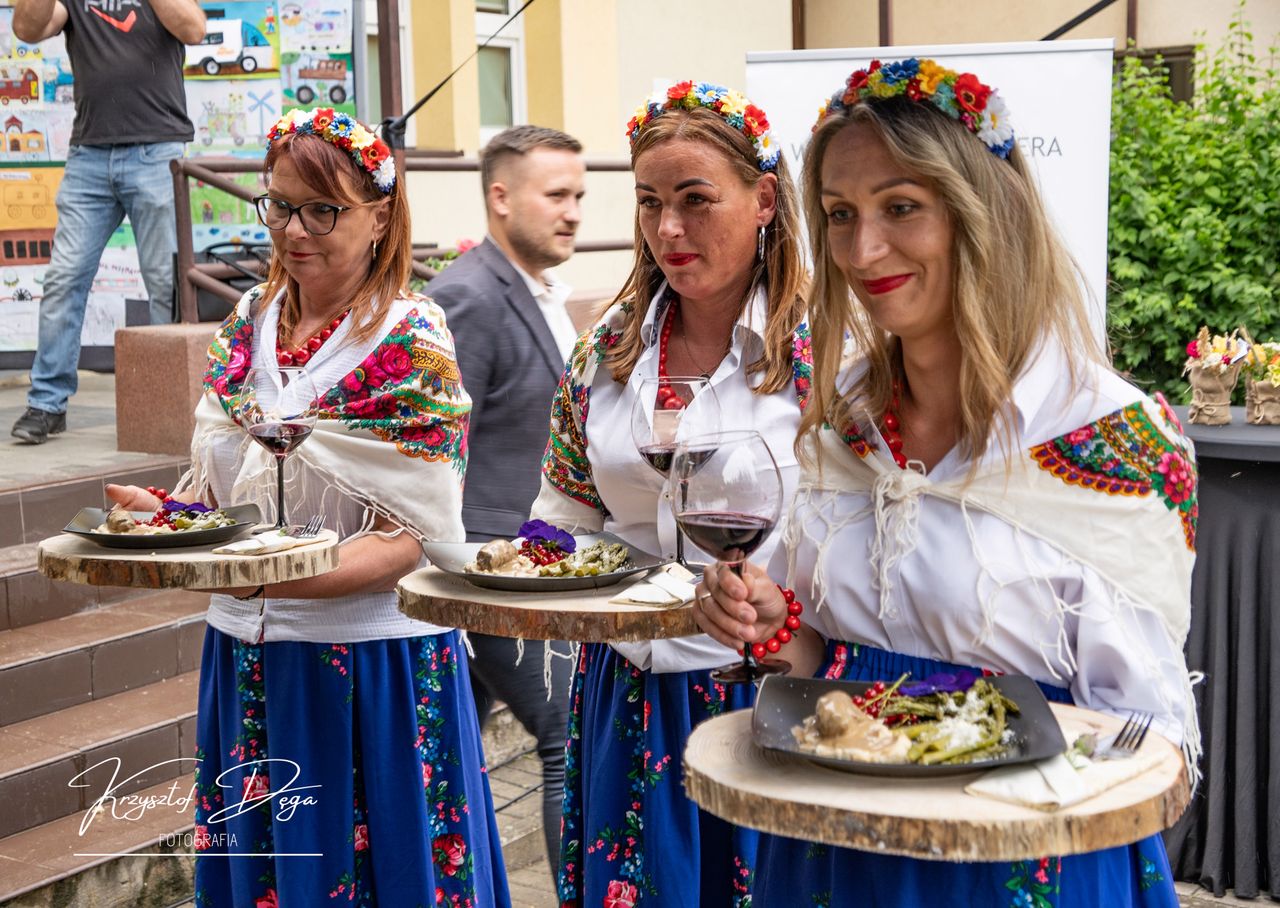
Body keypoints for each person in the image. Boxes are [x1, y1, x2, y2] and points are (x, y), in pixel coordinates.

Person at [694, 58, 1199, 907]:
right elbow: (835, 656)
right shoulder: (840, 424)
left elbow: (1147, 744)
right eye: (840, 215)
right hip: (834, 855)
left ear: (983, 214)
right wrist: (780, 630)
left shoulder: (1111, 438)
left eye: (902, 208)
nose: (863, 251)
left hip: (1018, 863)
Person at [105, 108, 510, 907]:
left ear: (380, 215)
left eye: (324, 210)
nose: (296, 229)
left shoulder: (411, 337)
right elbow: (222, 498)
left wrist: (262, 579)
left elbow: (411, 541)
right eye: (280, 204)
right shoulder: (247, 322)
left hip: (371, 669)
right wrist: (159, 520)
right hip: (247, 662)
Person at [531, 81, 810, 907]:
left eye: (696, 200)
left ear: (763, 199)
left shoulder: (827, 357)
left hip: (769, 691)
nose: (669, 230)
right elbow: (564, 518)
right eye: (651, 203)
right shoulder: (604, 355)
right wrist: (545, 569)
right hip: (630, 691)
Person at [425, 124, 586, 872]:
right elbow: (431, 449)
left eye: (579, 196)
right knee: (565, 740)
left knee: (450, 761)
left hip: (522, 564)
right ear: (500, 197)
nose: (574, 212)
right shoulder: (466, 295)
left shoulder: (533, 289)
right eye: (556, 195)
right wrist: (458, 574)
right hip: (488, 568)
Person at [10, 0, 204, 444]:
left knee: (166, 283)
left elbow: (192, 29)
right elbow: (28, 28)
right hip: (89, 155)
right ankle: (47, 403)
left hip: (158, 150)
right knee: (64, 278)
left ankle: (168, 404)